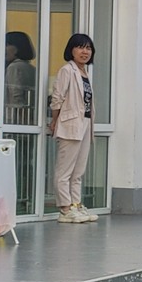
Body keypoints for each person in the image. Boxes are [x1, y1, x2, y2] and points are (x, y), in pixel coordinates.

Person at [47, 33, 97, 223]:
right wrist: (55, 121)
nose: (85, 52)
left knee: (78, 170)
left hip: (85, 123)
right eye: (80, 47)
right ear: (71, 50)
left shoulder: (85, 73)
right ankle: (65, 208)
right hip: (69, 123)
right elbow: (57, 98)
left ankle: (76, 204)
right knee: (64, 170)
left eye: (88, 48)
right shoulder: (67, 70)